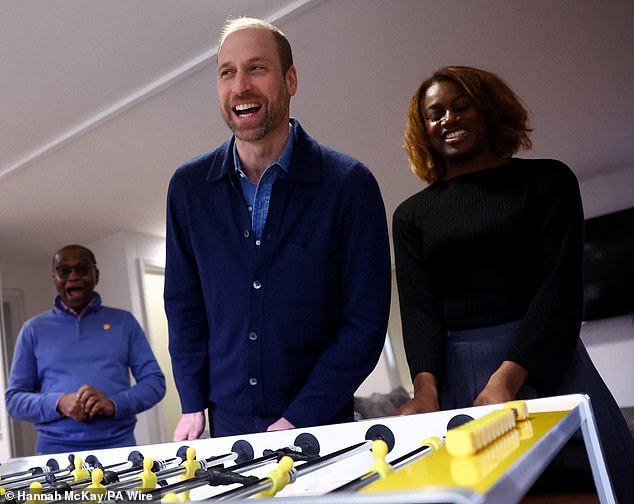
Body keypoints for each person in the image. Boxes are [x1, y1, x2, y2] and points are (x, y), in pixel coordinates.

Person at [392, 65, 634, 500]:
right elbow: (419, 309)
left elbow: (559, 288)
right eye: (435, 113)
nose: (448, 118)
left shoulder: (547, 181)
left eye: (461, 106)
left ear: (487, 109)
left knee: (589, 488)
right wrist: (425, 391)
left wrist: (507, 379)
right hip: (456, 377)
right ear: (423, 130)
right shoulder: (410, 216)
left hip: (546, 361)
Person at [164, 17, 391, 440]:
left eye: (257, 68)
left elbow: (364, 323)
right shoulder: (187, 189)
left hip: (321, 427)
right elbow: (183, 307)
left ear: (290, 80)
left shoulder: (350, 185)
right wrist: (192, 402)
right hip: (226, 432)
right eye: (226, 72)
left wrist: (300, 417)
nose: (240, 86)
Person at [5, 244, 166, 454]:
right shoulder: (33, 330)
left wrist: (114, 403)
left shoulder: (124, 322)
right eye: (64, 271)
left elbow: (154, 383)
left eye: (82, 269)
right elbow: (14, 400)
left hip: (118, 450)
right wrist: (59, 402)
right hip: (55, 455)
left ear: (96, 275)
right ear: (54, 278)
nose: (73, 277)